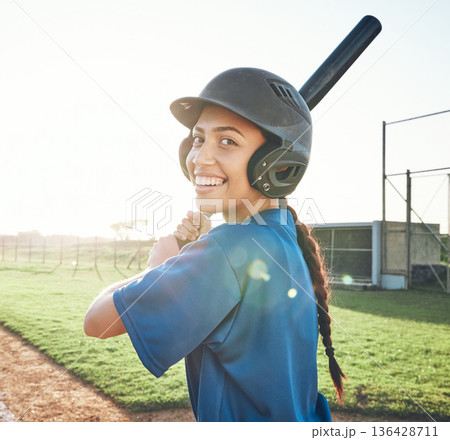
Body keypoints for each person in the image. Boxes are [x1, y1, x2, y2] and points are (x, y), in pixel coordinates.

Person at [84, 67, 345, 422]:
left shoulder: (227, 249)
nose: (199, 158)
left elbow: (97, 323)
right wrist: (190, 253)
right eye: (197, 138)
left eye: (227, 141)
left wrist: (159, 267)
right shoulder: (284, 235)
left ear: (280, 166)